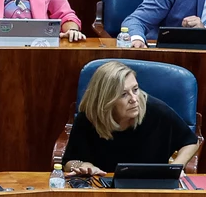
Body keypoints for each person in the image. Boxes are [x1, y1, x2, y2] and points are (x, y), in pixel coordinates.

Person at [62, 61, 197, 178]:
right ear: (107, 99)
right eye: (124, 94)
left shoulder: (157, 111)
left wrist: (175, 167)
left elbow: (191, 142)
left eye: (135, 89)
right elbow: (68, 162)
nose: (134, 99)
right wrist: (83, 166)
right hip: (102, 189)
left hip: (149, 189)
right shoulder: (89, 117)